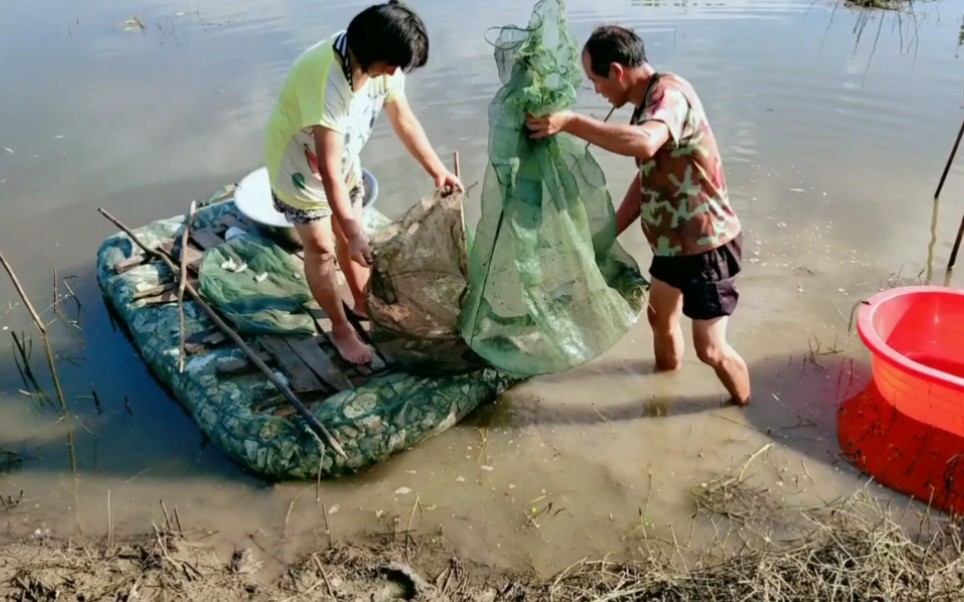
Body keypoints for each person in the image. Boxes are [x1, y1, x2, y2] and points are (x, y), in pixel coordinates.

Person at [525, 25, 751, 406]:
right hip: (671, 246)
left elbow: (646, 143)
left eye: (595, 80)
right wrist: (608, 231)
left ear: (616, 71)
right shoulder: (643, 106)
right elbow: (648, 180)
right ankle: (664, 394)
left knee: (711, 350)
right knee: (660, 319)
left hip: (707, 244)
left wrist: (572, 122)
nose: (596, 90)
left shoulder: (669, 96)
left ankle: (745, 408)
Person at [264, 1, 463, 366]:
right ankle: (341, 329)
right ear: (370, 52)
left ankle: (362, 302)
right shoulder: (326, 77)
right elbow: (325, 168)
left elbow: (403, 118)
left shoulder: (386, 65)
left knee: (350, 237)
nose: (395, 72)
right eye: (392, 64)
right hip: (301, 167)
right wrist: (354, 230)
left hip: (344, 158)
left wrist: (437, 170)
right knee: (323, 247)